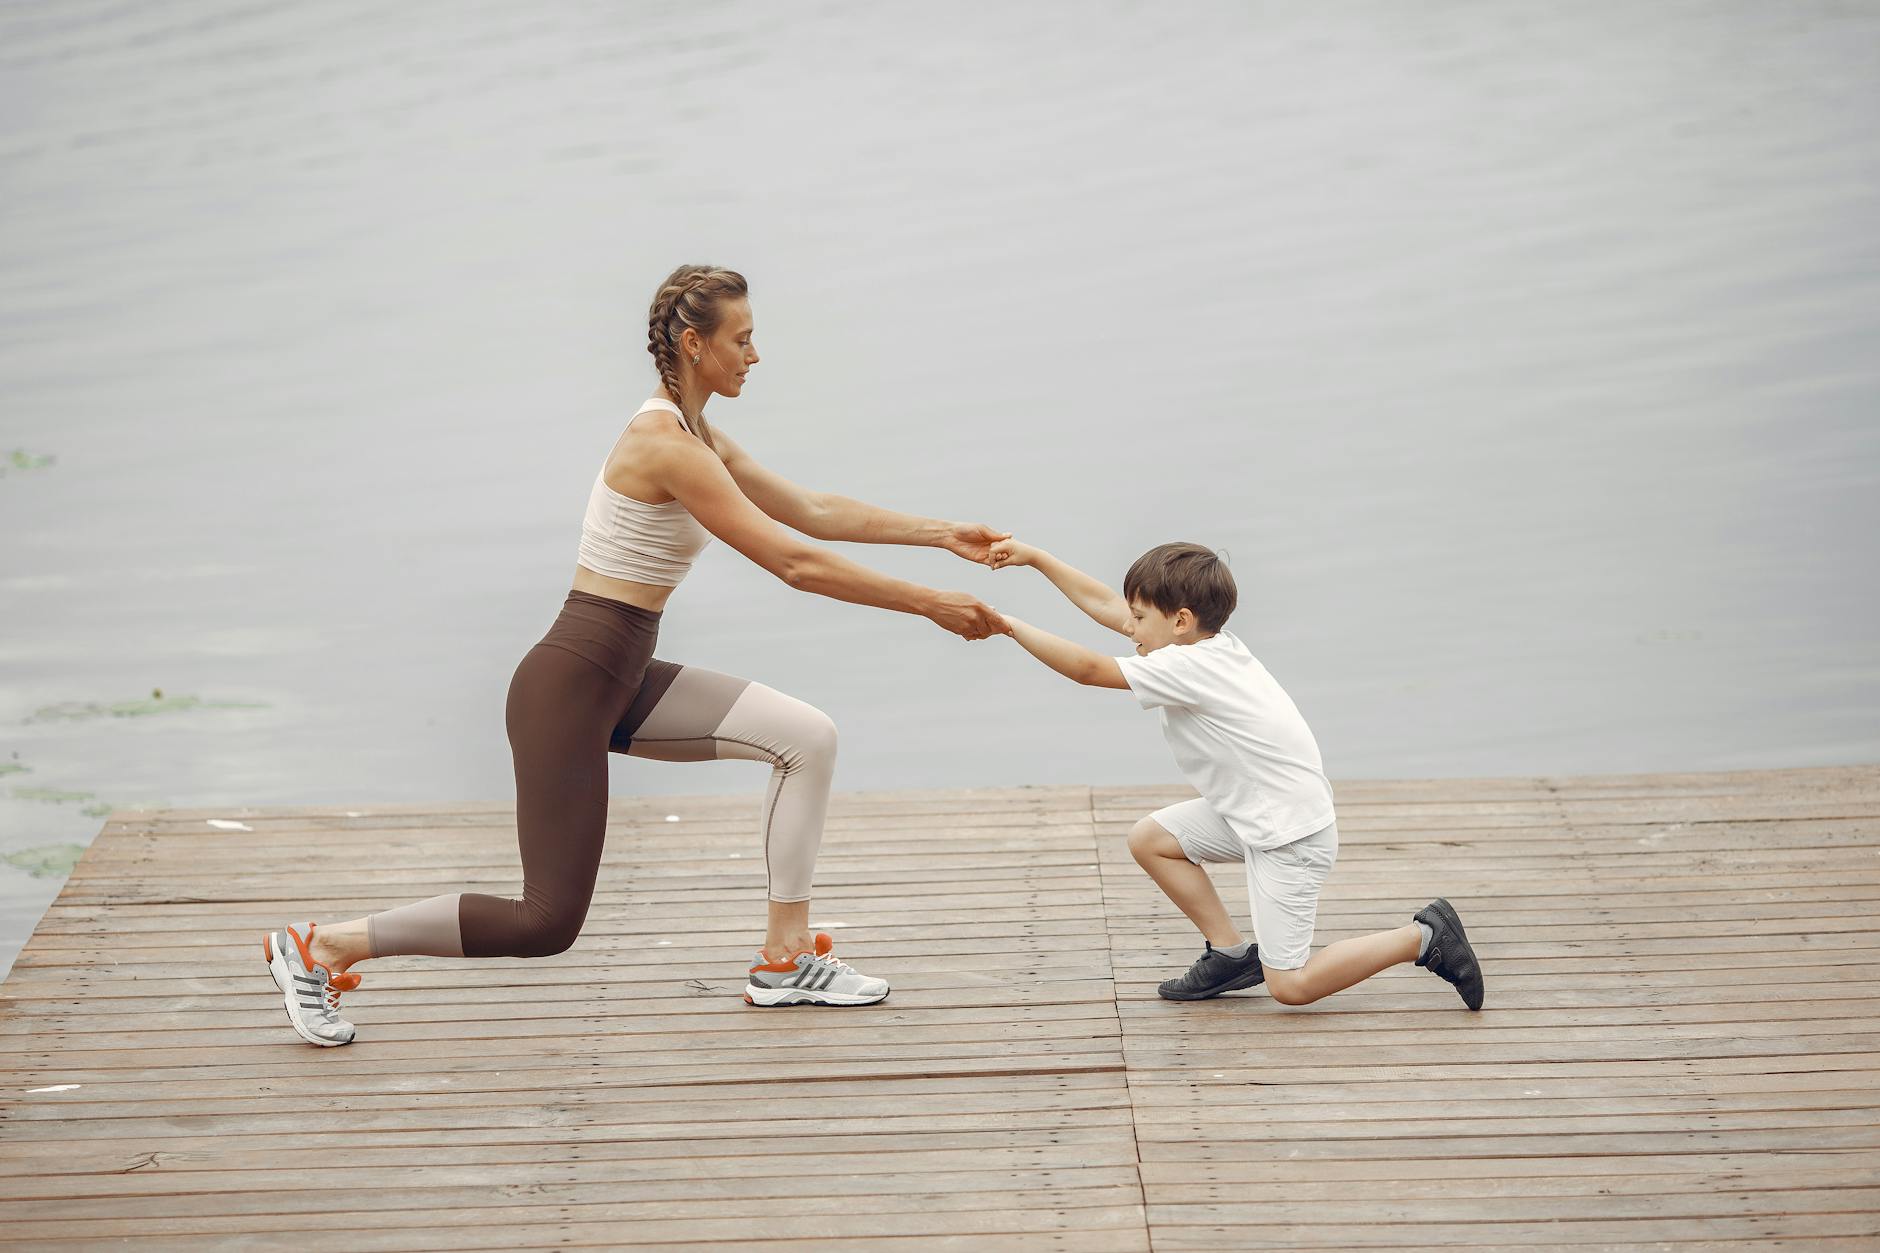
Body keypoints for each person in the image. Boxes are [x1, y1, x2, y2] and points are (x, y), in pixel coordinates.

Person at [265, 265, 1008, 1046]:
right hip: (570, 685)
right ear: (696, 344)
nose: (755, 354)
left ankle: (786, 961)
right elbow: (794, 563)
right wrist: (929, 604)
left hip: (620, 675)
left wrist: (941, 534)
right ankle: (321, 944)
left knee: (807, 736)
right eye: (742, 339)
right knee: (545, 920)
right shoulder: (663, 445)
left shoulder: (697, 434)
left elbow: (810, 511)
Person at [987, 537, 1484, 1010]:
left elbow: (1089, 670)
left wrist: (1008, 625)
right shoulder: (1207, 646)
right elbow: (1105, 604)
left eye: (1138, 618)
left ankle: (1423, 936)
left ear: (1180, 620)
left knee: (1291, 986)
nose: (1128, 626)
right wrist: (1035, 559)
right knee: (1152, 839)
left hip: (1289, 836)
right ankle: (1228, 955)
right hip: (1264, 811)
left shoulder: (1187, 668)